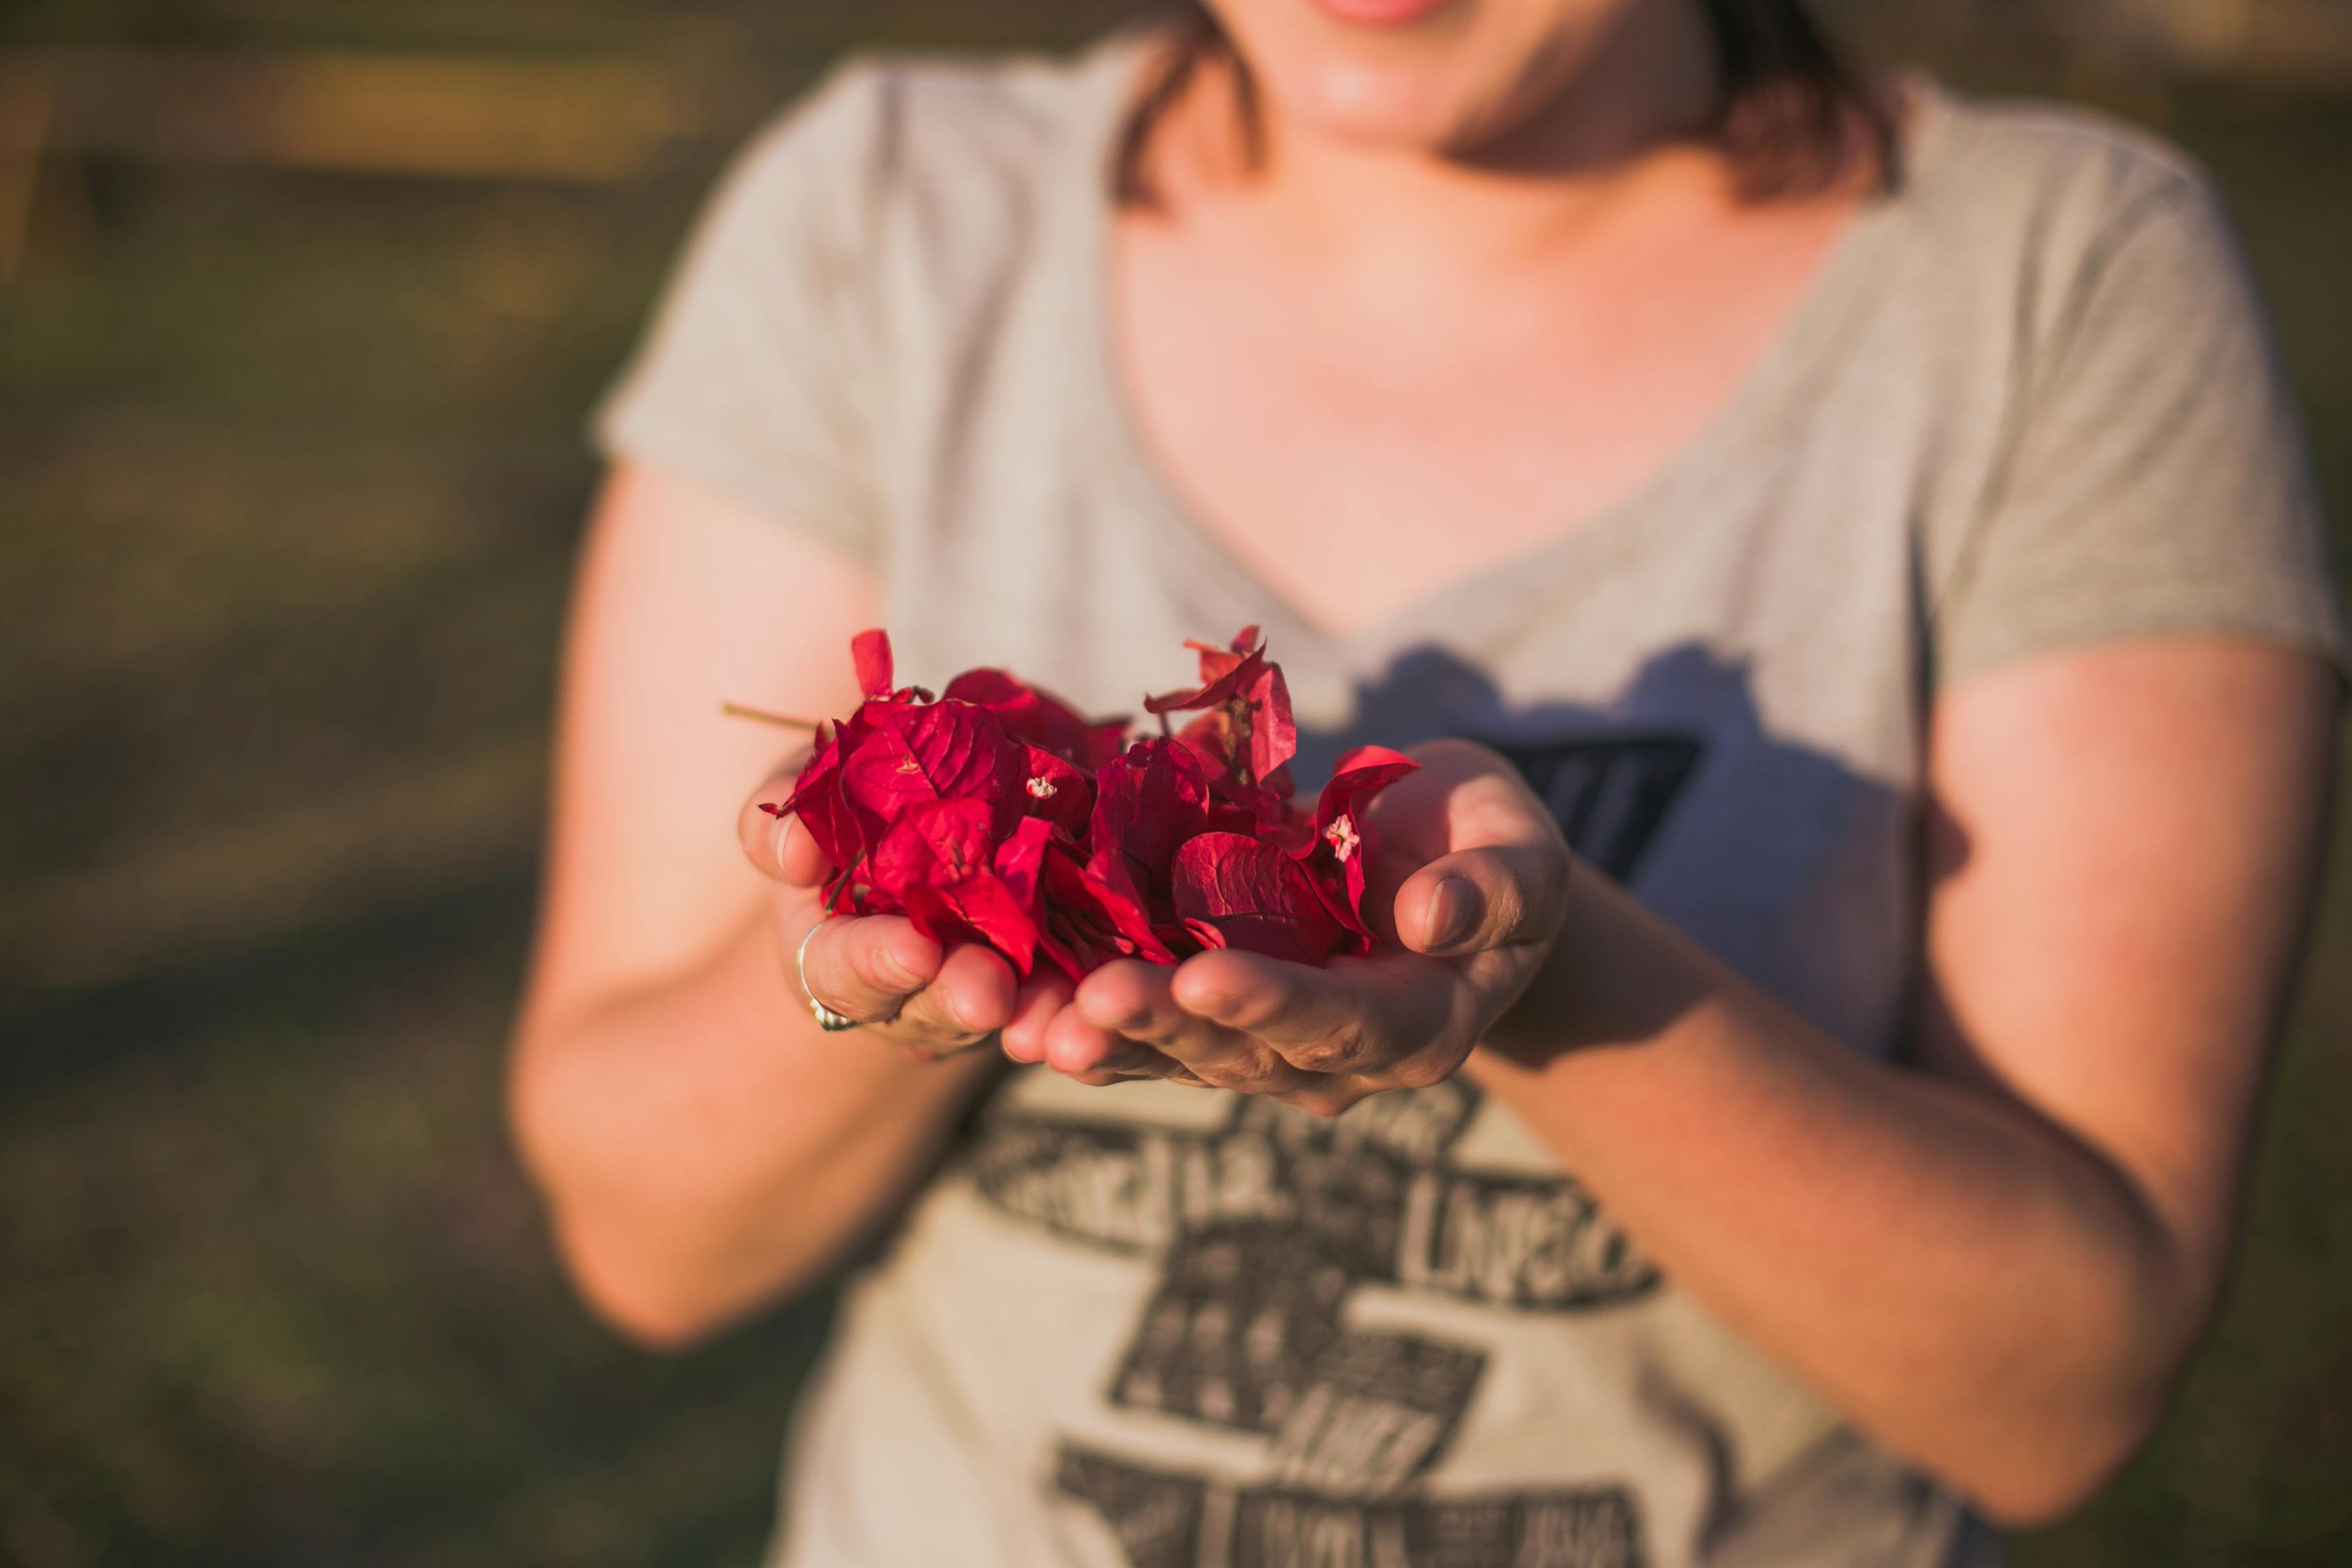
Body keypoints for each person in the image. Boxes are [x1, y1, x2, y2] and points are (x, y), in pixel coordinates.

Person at [508, 1, 2344, 1563]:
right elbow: (641, 1242)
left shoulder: (2056, 282)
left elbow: (2064, 1386)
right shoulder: (885, 222)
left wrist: (1555, 977)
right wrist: (901, 942)